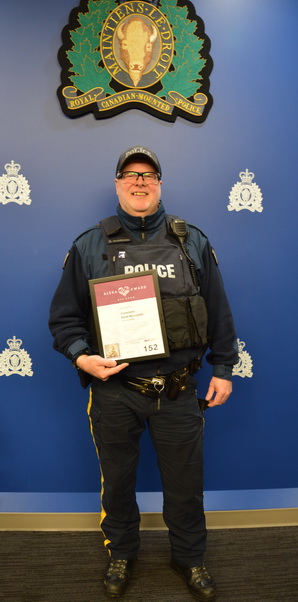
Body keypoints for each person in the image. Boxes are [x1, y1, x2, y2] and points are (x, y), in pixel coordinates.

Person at [49, 146, 238, 601]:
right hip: (115, 390)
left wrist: (224, 367)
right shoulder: (89, 245)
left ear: (159, 184)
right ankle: (122, 552)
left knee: (186, 487)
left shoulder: (189, 240)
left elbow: (218, 310)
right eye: (130, 175)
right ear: (117, 184)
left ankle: (190, 558)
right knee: (117, 483)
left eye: (149, 175)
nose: (139, 182)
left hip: (178, 389)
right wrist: (81, 357)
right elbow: (64, 320)